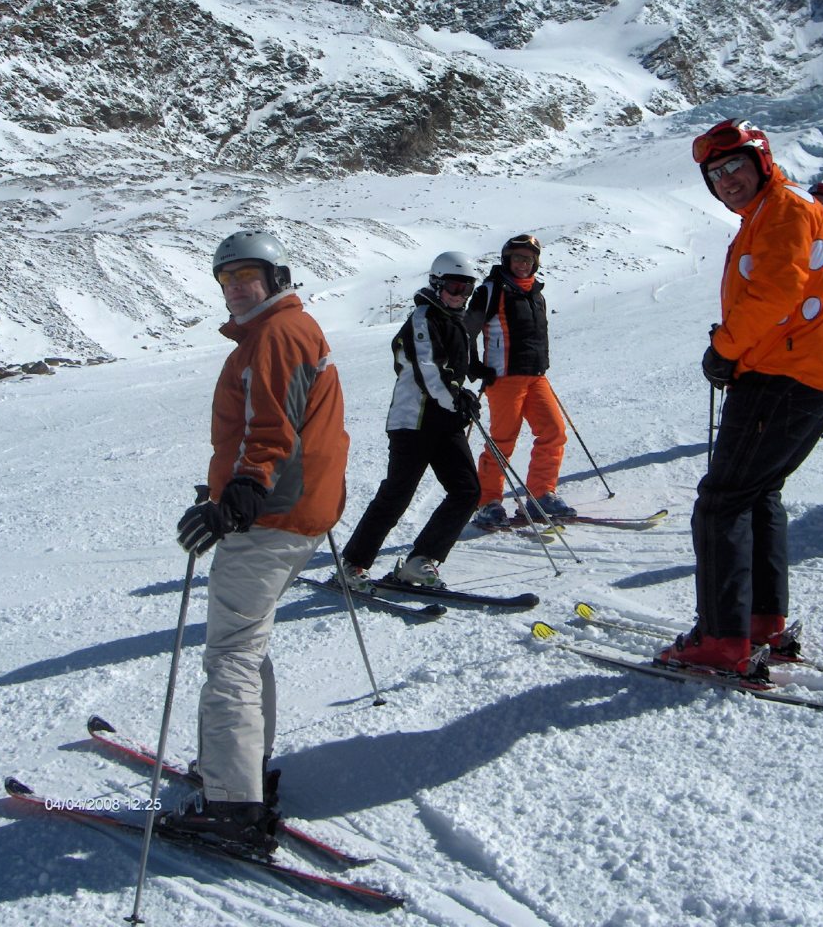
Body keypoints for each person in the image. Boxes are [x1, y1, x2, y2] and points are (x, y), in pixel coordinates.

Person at [162, 230, 348, 851]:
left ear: (277, 279)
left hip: (271, 517)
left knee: (232, 655)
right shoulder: (281, 331)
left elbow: (271, 431)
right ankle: (242, 768)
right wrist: (225, 489)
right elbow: (269, 428)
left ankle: (232, 805)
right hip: (293, 509)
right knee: (248, 644)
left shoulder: (276, 335)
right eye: (226, 278)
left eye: (247, 275)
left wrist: (241, 494)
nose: (236, 287)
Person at [658, 120, 823, 675]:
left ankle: (722, 639)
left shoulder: (784, 210)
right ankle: (760, 621)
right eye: (715, 174)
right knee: (758, 492)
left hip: (783, 375)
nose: (727, 180)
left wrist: (724, 349)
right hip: (805, 373)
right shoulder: (773, 210)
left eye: (735, 166)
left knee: (721, 502)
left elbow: (774, 293)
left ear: (761, 162)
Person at [339, 252, 482, 591]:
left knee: (467, 491)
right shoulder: (423, 318)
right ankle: (353, 564)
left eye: (466, 289)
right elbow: (429, 369)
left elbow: (455, 368)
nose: (459, 295)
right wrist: (456, 396)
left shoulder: (456, 321)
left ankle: (420, 560)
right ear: (436, 284)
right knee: (397, 495)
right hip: (413, 421)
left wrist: (469, 388)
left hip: (445, 422)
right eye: (453, 287)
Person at [465, 233, 574, 527]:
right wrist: (474, 366)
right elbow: (466, 331)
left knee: (554, 431)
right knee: (503, 441)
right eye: (517, 258)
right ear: (506, 259)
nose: (522, 263)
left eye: (528, 259)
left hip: (536, 377)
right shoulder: (491, 291)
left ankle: (542, 495)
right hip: (504, 379)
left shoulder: (536, 293)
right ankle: (488, 502)